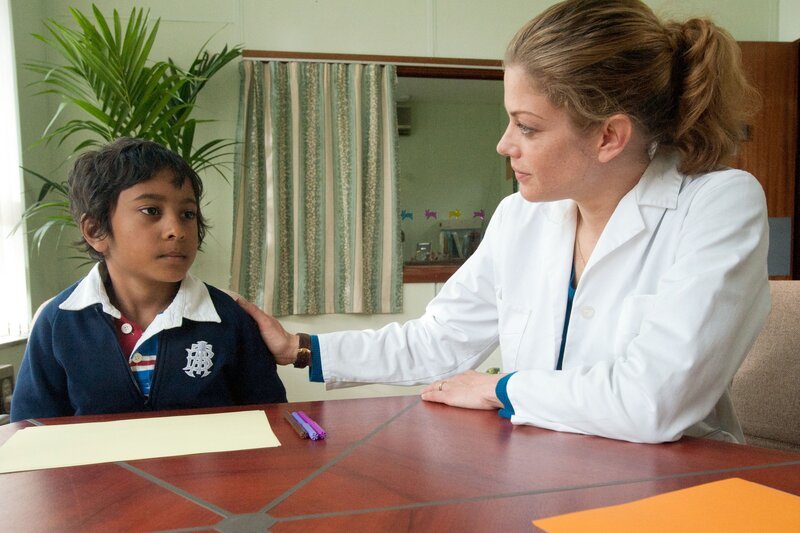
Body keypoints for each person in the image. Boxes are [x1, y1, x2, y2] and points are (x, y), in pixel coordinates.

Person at [237, 0, 770, 444]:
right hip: (537, 469)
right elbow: (440, 340)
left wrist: (501, 389)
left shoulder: (717, 205)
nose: (503, 144)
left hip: (678, 486)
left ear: (609, 136)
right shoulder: (521, 217)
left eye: (528, 127)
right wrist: (299, 347)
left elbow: (653, 401)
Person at [11, 138, 286, 421]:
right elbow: (31, 431)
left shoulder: (229, 318)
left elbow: (271, 419)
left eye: (188, 214)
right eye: (151, 211)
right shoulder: (58, 323)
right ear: (95, 231)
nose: (176, 230)